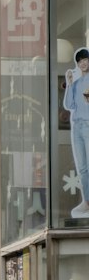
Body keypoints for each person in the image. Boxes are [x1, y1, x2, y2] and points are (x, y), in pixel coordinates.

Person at [65, 47, 89, 219]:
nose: (83, 63)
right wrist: (70, 84)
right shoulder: (77, 82)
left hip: (88, 125)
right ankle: (87, 201)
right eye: (80, 61)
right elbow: (69, 105)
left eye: (85, 60)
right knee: (82, 167)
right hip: (77, 126)